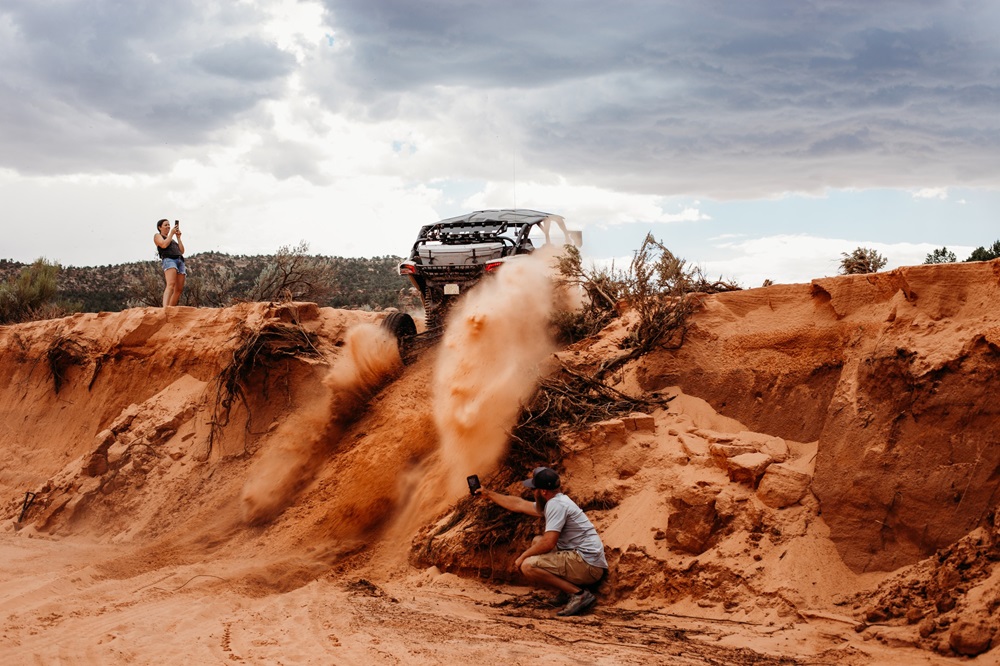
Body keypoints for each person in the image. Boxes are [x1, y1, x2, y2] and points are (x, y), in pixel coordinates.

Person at [479, 466, 608, 617]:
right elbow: (519, 504)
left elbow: (549, 543)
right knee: (536, 541)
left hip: (588, 566)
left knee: (528, 566)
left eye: (534, 489)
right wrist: (488, 494)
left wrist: (522, 557)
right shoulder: (556, 501)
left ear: (543, 492)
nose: (532, 492)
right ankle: (566, 591)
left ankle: (579, 594)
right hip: (586, 561)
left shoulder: (556, 505)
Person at [153, 218, 186, 307]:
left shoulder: (172, 240)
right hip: (169, 259)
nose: (168, 226)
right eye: (166, 225)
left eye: (169, 225)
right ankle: (165, 308)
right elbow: (163, 244)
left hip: (180, 260)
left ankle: (170, 308)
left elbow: (182, 251)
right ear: (160, 227)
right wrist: (171, 233)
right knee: (170, 284)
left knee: (178, 289)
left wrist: (178, 238)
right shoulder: (157, 236)